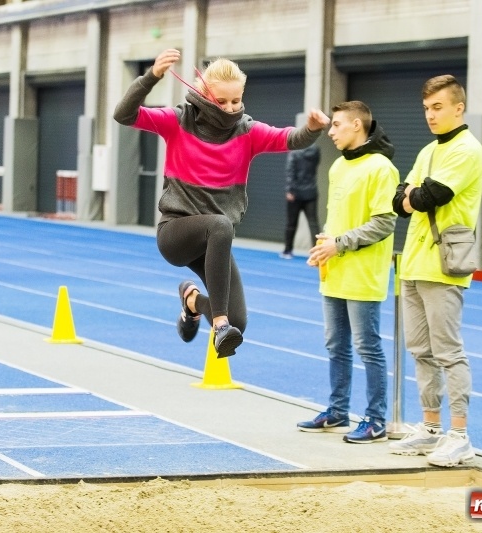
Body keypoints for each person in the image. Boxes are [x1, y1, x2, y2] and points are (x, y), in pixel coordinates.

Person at [113, 48, 330, 358]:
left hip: (215, 239)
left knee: (238, 320)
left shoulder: (248, 132)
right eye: (222, 101)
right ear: (204, 95)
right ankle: (218, 324)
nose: (230, 108)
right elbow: (124, 114)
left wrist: (312, 128)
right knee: (219, 225)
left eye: (236, 101)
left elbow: (290, 138)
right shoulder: (179, 121)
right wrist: (152, 77)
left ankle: (191, 302)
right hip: (176, 233)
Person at [389, 75, 482, 466]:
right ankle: (430, 427)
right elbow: (400, 200)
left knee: (448, 352)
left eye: (438, 107)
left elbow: (433, 195)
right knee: (420, 351)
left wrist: (414, 194)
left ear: (458, 108)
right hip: (413, 261)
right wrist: (412, 195)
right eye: (427, 108)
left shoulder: (468, 150)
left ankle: (459, 434)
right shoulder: (429, 150)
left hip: (444, 264)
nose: (430, 115)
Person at [296, 101, 398, 443]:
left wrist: (338, 243)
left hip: (363, 273)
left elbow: (383, 223)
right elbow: (336, 216)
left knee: (367, 347)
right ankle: (337, 411)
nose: (332, 131)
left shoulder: (381, 168)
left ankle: (376, 419)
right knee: (335, 345)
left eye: (337, 125)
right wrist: (323, 245)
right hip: (334, 269)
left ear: (357, 125)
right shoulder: (338, 166)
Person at [280, 144, 321, 259]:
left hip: (295, 193)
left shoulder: (294, 152)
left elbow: (290, 171)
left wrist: (289, 190)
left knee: (291, 224)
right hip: (311, 192)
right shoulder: (315, 151)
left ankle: (287, 251)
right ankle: (317, 252)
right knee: (313, 224)